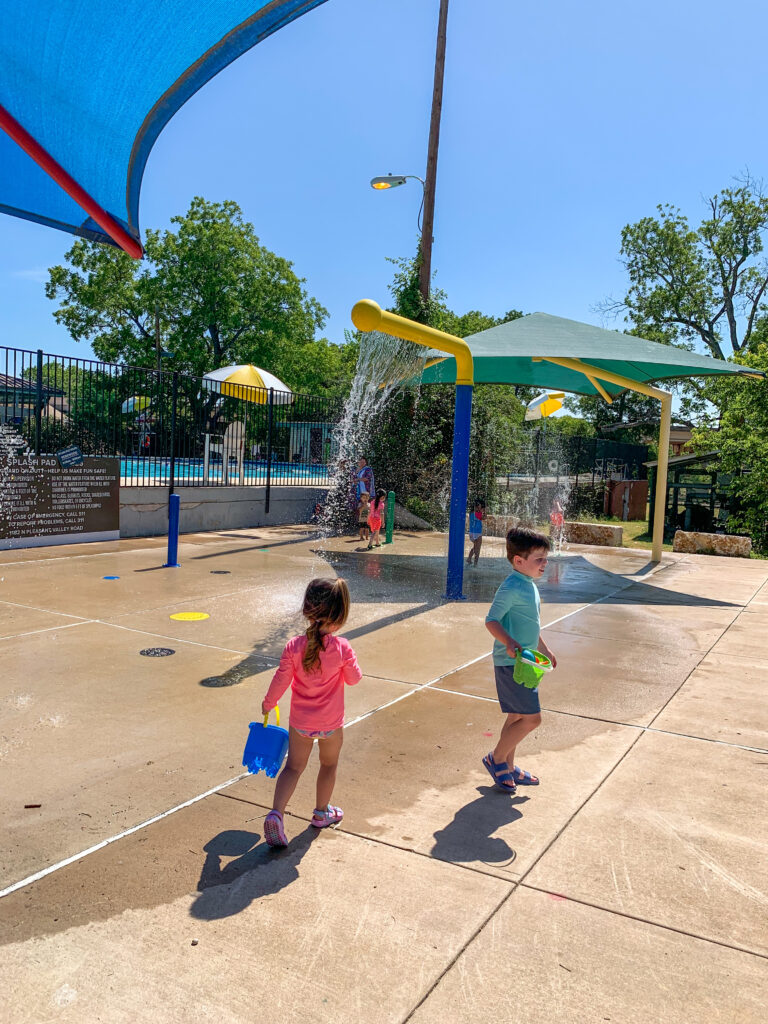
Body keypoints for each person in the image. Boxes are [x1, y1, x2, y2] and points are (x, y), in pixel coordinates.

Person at [261, 578, 362, 847]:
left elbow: (281, 679)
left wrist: (269, 703)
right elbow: (354, 679)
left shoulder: (294, 646)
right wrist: (348, 662)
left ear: (308, 609)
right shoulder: (342, 648)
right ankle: (321, 812)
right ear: (340, 615)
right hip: (330, 724)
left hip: (301, 724)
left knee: (293, 767)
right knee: (328, 765)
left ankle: (276, 814)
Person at [482, 526, 557, 794]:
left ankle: (509, 766)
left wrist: (544, 649)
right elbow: (491, 621)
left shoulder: (529, 585)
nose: (544, 564)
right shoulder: (512, 586)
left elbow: (531, 625)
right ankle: (497, 758)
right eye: (539, 559)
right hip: (511, 662)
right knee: (532, 719)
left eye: (545, 558)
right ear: (519, 561)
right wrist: (509, 642)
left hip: (526, 662)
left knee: (517, 716)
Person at [466, 499, 486, 566]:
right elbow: (484, 518)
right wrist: (485, 511)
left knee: (475, 547)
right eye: (481, 506)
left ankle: (469, 558)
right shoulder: (478, 514)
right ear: (478, 507)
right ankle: (475, 564)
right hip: (477, 533)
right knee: (478, 549)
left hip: (471, 533)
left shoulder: (471, 513)